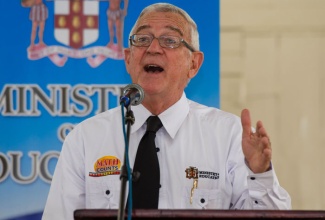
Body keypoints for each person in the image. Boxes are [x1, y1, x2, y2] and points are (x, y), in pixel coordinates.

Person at [42, 3, 291, 219]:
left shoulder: (228, 135)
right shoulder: (86, 139)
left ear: (194, 64)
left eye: (170, 40)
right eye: (143, 39)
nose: (153, 48)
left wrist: (259, 174)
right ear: (128, 58)